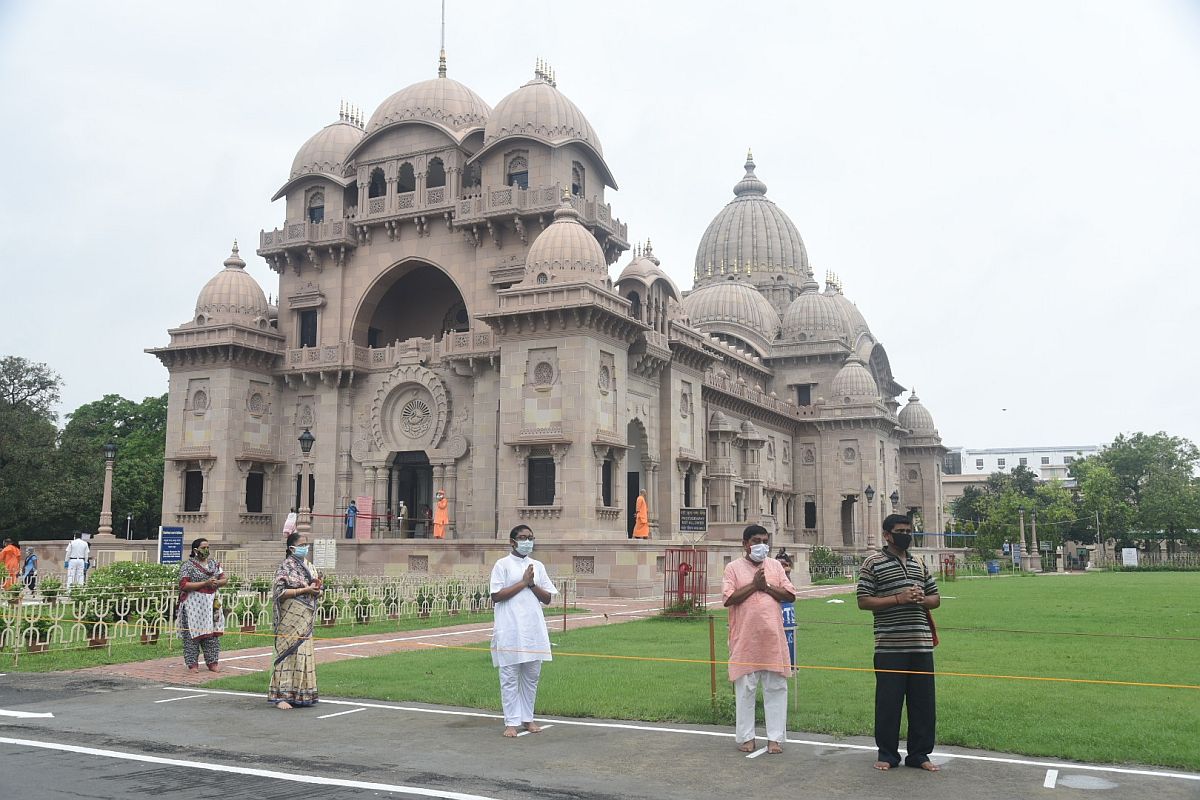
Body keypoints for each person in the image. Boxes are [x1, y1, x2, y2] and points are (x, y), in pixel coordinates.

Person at [857, 513, 941, 772]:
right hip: (890, 646)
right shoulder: (873, 563)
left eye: (908, 529)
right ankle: (887, 754)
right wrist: (898, 598)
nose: (906, 534)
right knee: (889, 703)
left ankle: (919, 755)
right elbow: (863, 601)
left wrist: (920, 598)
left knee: (923, 704)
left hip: (920, 645)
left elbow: (935, 598)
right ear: (887, 535)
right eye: (900, 530)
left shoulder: (918, 562)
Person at [722, 524, 796, 754]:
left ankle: (775, 739)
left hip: (773, 638)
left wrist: (767, 587)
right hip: (745, 638)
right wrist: (754, 586)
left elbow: (790, 594)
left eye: (765, 540)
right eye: (756, 541)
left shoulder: (775, 566)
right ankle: (747, 737)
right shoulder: (733, 568)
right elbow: (729, 598)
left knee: (776, 688)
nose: (761, 545)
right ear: (745, 544)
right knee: (745, 689)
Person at [490, 524, 558, 737]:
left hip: (533, 630)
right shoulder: (502, 565)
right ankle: (511, 723)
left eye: (530, 537)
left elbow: (547, 598)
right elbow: (496, 595)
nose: (527, 541)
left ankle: (528, 719)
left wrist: (531, 585)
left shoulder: (537, 565)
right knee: (509, 677)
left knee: (531, 677)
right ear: (512, 541)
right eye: (522, 537)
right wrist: (523, 582)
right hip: (510, 629)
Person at [269, 532, 323, 709]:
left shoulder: (310, 566)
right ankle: (281, 696)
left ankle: (302, 693)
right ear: (292, 548)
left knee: (303, 654)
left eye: (306, 544)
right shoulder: (286, 567)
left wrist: (316, 591)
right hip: (290, 618)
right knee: (287, 654)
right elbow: (280, 592)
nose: (305, 547)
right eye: (302, 544)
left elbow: (317, 587)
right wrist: (303, 590)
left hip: (305, 618)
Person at [177, 538, 228, 672]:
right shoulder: (188, 566)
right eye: (203, 547)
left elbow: (224, 578)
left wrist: (216, 583)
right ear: (195, 550)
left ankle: (212, 662)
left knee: (212, 635)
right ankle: (192, 664)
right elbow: (184, 585)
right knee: (192, 635)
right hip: (193, 605)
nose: (206, 550)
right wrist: (204, 583)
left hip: (211, 604)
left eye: (208, 547)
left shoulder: (214, 564)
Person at [775, 549, 797, 670]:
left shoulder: (785, 559)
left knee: (789, 636)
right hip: (780, 603)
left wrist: (786, 570)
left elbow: (790, 568)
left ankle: (790, 663)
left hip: (786, 604)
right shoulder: (776, 559)